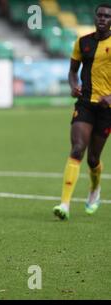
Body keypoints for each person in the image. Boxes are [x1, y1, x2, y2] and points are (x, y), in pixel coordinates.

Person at [53, 4, 111, 220]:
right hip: (85, 103)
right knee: (77, 149)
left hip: (107, 109)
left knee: (93, 159)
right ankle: (64, 204)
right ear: (95, 17)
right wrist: (73, 85)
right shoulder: (83, 42)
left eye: (107, 16)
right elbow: (72, 71)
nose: (103, 19)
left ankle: (95, 189)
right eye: (100, 15)